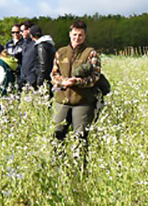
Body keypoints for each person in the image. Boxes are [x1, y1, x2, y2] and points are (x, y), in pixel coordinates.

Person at [51, 20, 102, 162]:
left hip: (82, 101)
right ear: (69, 34)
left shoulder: (91, 53)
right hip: (62, 100)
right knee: (57, 133)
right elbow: (53, 75)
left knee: (80, 136)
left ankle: (79, 167)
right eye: (74, 34)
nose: (77, 38)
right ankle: (58, 164)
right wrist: (63, 81)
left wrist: (77, 82)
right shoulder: (60, 52)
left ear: (85, 36)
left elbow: (95, 77)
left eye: (80, 35)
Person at [30, 25, 56, 93]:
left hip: (45, 79)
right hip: (50, 77)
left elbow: (43, 65)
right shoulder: (49, 44)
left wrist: (39, 82)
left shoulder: (41, 46)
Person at [17, 21, 37, 90]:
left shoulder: (36, 44)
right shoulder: (23, 44)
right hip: (23, 80)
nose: (21, 33)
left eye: (22, 31)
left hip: (33, 79)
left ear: (29, 30)